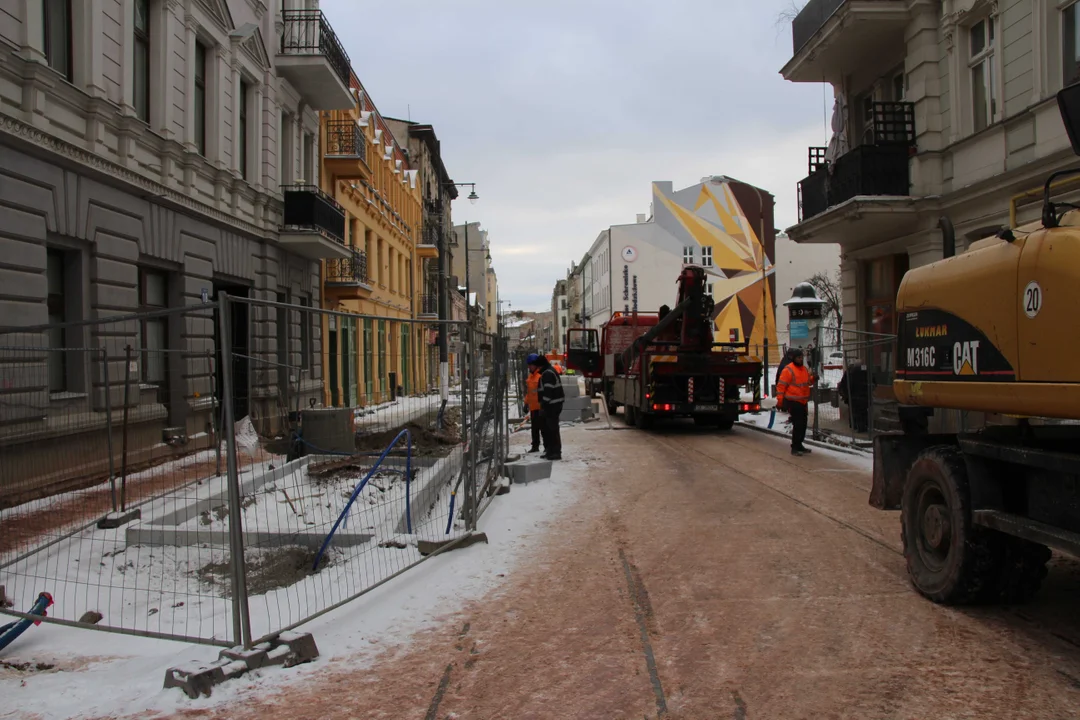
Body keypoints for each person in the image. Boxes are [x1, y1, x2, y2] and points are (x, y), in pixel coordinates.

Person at [776, 347, 816, 456]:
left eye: (801, 357)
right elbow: (781, 387)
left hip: (803, 402)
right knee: (798, 424)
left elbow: (807, 382)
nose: (800, 359)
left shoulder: (804, 369)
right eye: (798, 357)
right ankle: (795, 447)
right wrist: (780, 402)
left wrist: (813, 379)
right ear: (794, 358)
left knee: (803, 424)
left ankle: (799, 444)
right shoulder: (788, 370)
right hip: (793, 402)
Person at [527, 352, 565, 460]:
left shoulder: (547, 373)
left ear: (540, 365)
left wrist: (543, 405)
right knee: (550, 429)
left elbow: (548, 392)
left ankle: (555, 452)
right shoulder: (547, 372)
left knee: (552, 429)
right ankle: (551, 451)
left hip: (552, 406)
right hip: (553, 405)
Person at [525, 363, 544, 453]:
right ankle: (535, 446)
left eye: (531, 365)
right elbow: (529, 393)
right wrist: (526, 403)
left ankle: (547, 446)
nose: (529, 367)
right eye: (529, 365)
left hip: (540, 407)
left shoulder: (540, 376)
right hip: (533, 407)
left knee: (543, 428)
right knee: (534, 428)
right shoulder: (530, 377)